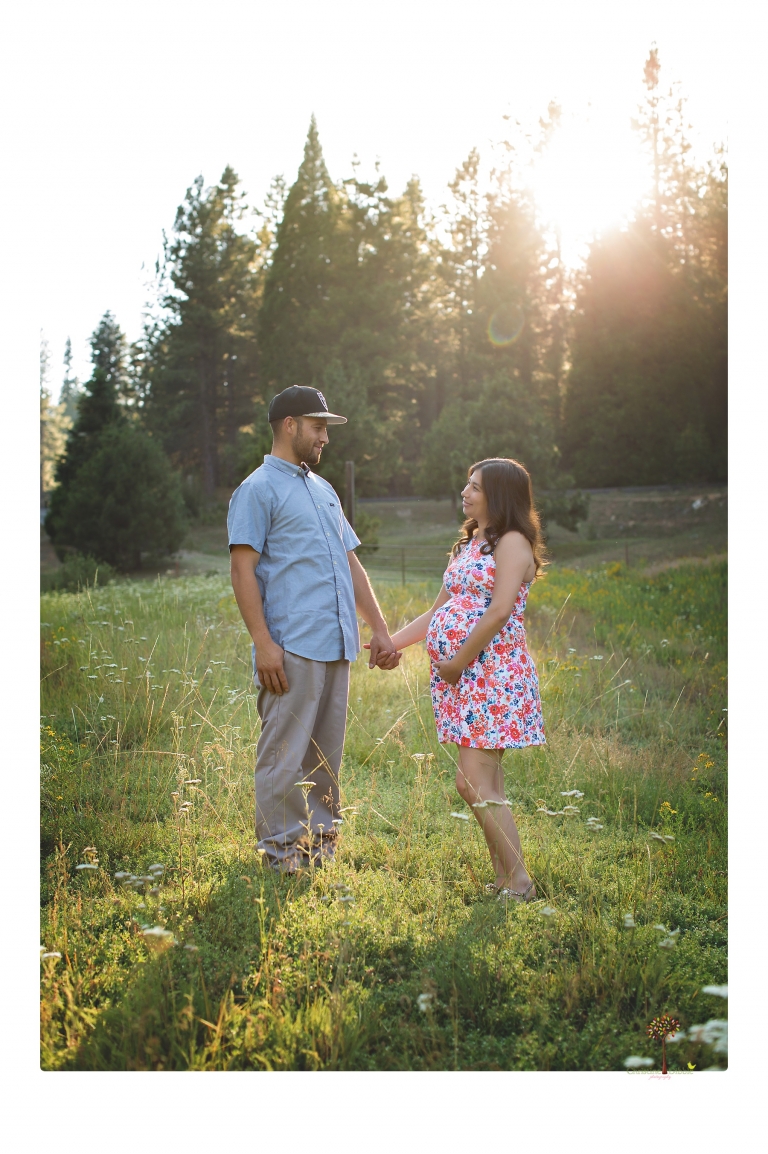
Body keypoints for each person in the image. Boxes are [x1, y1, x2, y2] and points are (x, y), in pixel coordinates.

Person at [228, 385, 401, 872]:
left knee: (326, 759)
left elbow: (351, 566)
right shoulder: (256, 490)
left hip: (337, 642)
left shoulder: (323, 490)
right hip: (291, 647)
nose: (325, 437)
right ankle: (283, 854)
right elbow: (243, 571)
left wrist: (381, 630)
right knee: (284, 756)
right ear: (290, 425)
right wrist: (264, 645)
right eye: (318, 426)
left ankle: (321, 847)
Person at [386, 458, 546, 901]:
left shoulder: (513, 542)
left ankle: (520, 881)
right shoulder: (469, 544)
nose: (465, 492)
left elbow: (499, 611)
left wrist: (457, 661)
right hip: (463, 679)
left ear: (499, 494)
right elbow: (439, 610)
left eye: (474, 486)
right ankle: (503, 879)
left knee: (471, 782)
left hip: (492, 674)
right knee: (485, 784)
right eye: (467, 484)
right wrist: (391, 643)